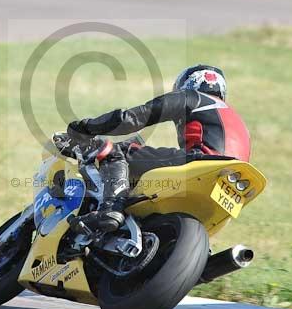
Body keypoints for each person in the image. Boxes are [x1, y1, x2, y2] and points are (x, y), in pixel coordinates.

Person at [66, 64, 251, 234]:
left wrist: (86, 127)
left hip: (203, 160)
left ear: (188, 82)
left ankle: (111, 209)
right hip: (236, 177)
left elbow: (130, 119)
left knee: (117, 151)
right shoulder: (238, 120)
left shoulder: (191, 97)